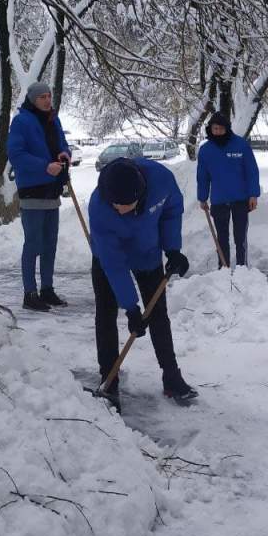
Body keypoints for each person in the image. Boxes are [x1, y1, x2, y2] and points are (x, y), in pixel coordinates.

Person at [89, 157, 197, 409]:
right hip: (108, 257)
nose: (120, 210)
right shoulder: (99, 207)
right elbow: (114, 265)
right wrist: (131, 308)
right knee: (106, 313)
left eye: (126, 205)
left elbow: (171, 212)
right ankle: (109, 379)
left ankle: (171, 376)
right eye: (115, 205)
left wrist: (172, 250)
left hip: (147, 253)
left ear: (140, 194)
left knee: (158, 313)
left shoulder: (161, 180)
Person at [7, 81, 71, 311]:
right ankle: (30, 293)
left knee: (50, 244)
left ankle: (47, 289)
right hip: (32, 190)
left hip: (52, 189)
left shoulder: (54, 119)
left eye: (49, 96)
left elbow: (63, 144)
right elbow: (16, 154)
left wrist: (65, 154)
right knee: (33, 243)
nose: (47, 100)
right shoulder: (21, 121)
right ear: (33, 99)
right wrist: (45, 166)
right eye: (42, 97)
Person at [196, 113, 261, 267]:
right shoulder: (205, 150)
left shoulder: (241, 145)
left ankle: (241, 267)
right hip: (219, 200)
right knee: (222, 238)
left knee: (240, 237)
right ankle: (223, 268)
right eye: (214, 128)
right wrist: (202, 197)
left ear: (227, 128)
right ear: (210, 129)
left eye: (220, 128)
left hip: (240, 199)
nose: (217, 132)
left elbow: (252, 171)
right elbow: (202, 176)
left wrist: (253, 194)